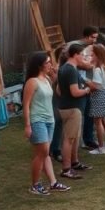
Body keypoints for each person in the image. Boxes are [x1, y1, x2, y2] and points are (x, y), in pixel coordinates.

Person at [23, 52, 69, 195]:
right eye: (47, 62)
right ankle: (35, 185)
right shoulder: (32, 82)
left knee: (45, 153)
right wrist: (27, 125)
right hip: (37, 120)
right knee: (41, 152)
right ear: (40, 65)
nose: (50, 64)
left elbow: (59, 93)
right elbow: (26, 104)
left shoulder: (47, 79)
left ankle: (53, 182)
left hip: (50, 120)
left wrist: (57, 77)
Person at [57, 42, 92, 179]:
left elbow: (59, 90)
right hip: (72, 109)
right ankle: (66, 169)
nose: (84, 57)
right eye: (82, 55)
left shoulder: (64, 68)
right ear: (75, 55)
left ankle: (75, 162)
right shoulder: (71, 70)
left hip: (69, 107)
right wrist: (87, 90)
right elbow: (75, 92)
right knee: (69, 139)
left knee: (75, 137)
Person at [81, 26, 102, 151]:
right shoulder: (79, 48)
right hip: (81, 84)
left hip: (90, 85)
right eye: (93, 37)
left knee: (89, 114)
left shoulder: (93, 48)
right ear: (87, 36)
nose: (95, 40)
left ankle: (88, 139)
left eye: (96, 38)